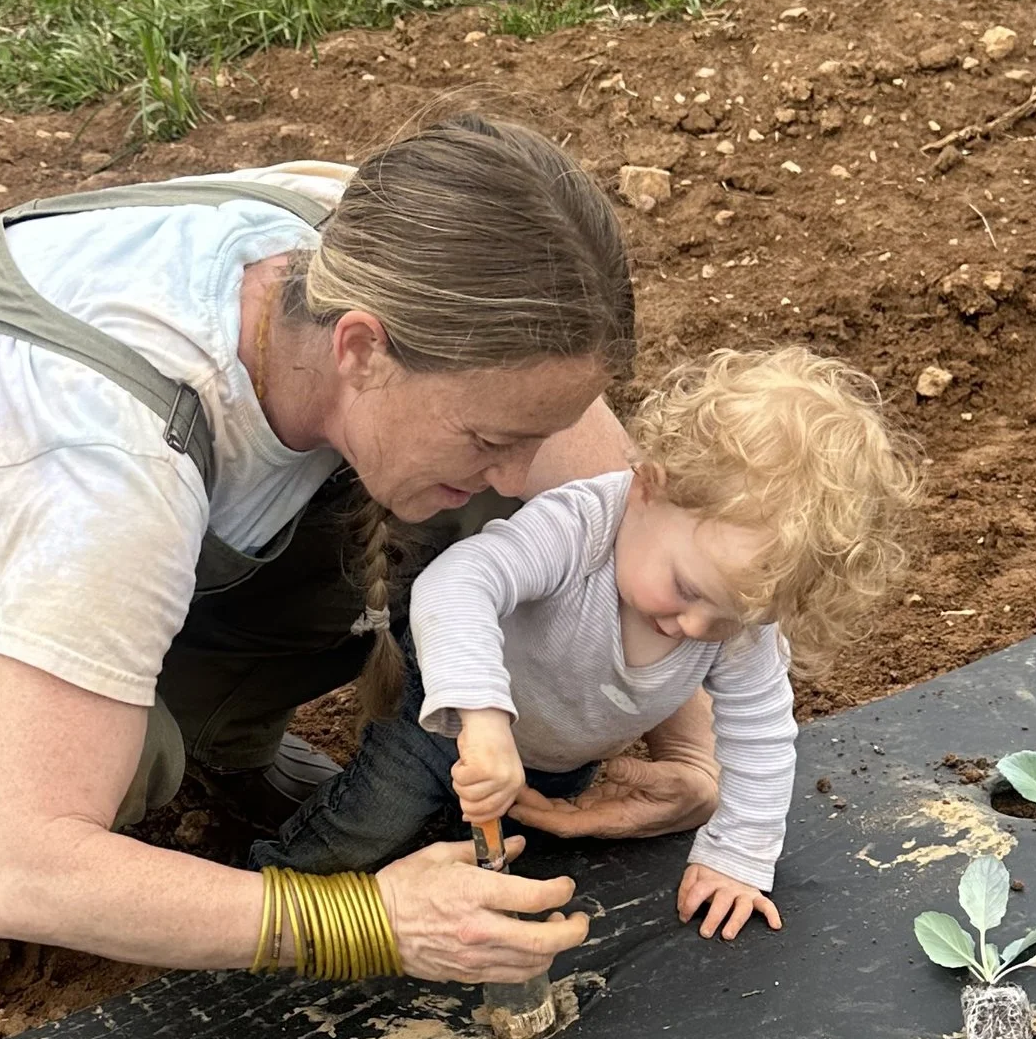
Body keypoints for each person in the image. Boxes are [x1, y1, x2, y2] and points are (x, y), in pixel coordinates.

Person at [0, 115, 720, 1030]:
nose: (515, 472)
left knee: (436, 517)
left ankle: (224, 737)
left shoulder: (399, 255)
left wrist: (684, 748)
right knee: (125, 765)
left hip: (87, 522)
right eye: (491, 436)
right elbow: (26, 866)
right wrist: (370, 922)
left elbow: (612, 520)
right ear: (361, 349)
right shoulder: (116, 466)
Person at [255, 346, 919, 937]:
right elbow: (457, 583)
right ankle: (264, 899)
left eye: (730, 617)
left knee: (513, 868)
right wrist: (482, 721)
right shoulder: (581, 528)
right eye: (686, 589)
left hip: (563, 763)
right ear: (649, 488)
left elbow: (762, 733)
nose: (695, 628)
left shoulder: (736, 613)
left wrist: (738, 856)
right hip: (446, 729)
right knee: (372, 824)